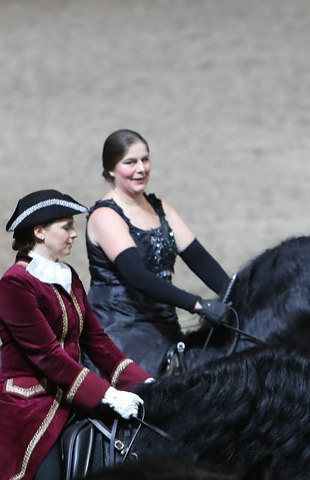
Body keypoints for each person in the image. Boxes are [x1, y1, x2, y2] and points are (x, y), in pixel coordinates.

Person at [0, 189, 152, 480]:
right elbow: (47, 357)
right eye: (66, 226)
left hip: (71, 395)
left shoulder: (68, 276)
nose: (74, 233)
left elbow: (97, 341)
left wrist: (144, 383)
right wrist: (108, 396)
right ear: (39, 232)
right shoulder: (15, 283)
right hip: (27, 403)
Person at [86, 129, 233, 375]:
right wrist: (196, 304)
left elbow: (200, 260)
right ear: (111, 169)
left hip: (164, 325)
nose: (141, 169)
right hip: (121, 328)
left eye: (145, 159)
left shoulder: (160, 208)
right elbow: (138, 277)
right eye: (130, 162)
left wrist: (235, 294)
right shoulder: (105, 216)